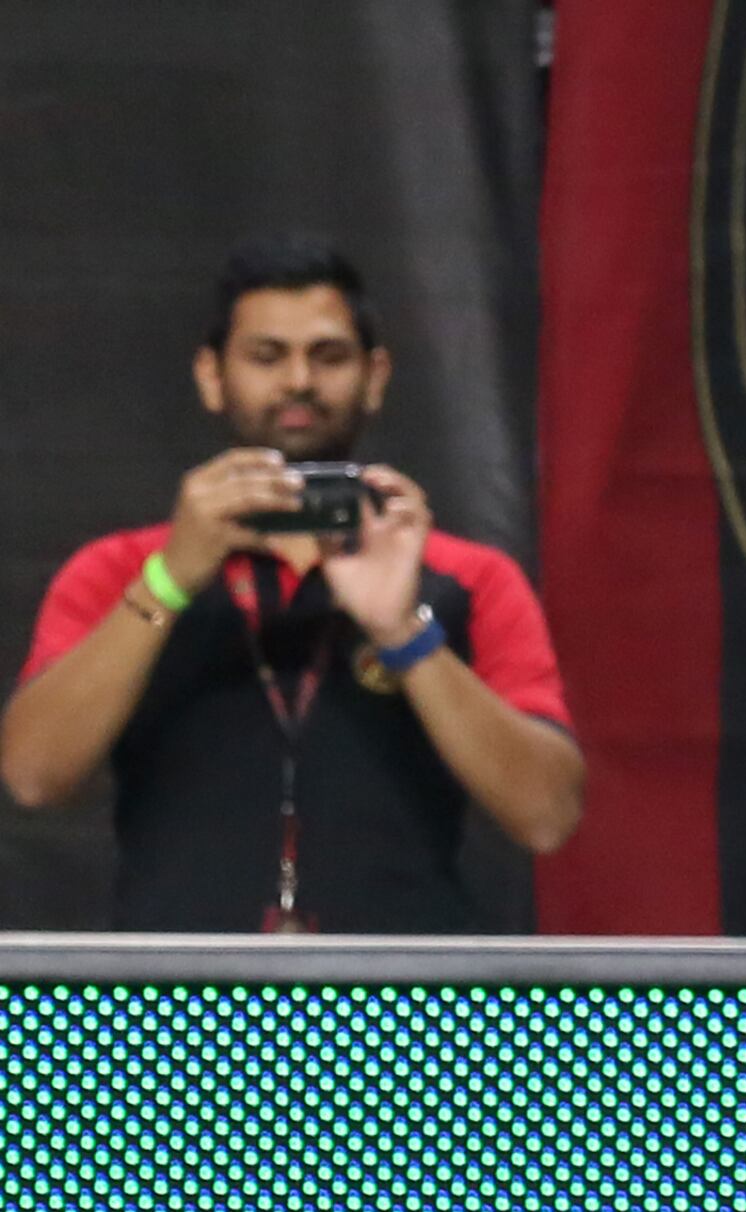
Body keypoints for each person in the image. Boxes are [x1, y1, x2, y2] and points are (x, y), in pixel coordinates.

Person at [0, 233, 582, 929]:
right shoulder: (122, 570)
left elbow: (547, 816)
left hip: (406, 1008)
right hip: (172, 1007)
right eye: (266, 356)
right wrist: (171, 580)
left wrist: (403, 634)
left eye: (329, 356)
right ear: (212, 376)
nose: (299, 381)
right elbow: (33, 776)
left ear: (376, 376)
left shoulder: (463, 576)